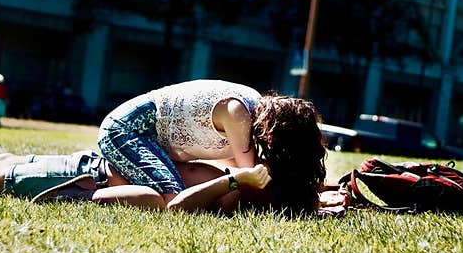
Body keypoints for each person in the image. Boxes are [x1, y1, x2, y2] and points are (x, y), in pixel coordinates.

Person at [0, 113, 347, 214]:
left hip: (89, 179)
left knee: (0, 178)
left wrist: (234, 178)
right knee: (4, 158)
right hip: (99, 163)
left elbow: (175, 206)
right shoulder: (259, 178)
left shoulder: (243, 191)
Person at [98, 80, 327, 215]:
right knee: (174, 199)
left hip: (147, 135)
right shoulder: (238, 114)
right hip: (125, 131)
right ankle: (83, 195)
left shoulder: (252, 108)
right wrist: (311, 196)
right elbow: (251, 177)